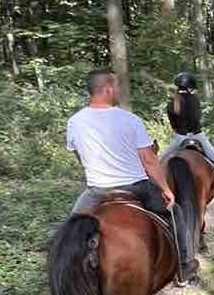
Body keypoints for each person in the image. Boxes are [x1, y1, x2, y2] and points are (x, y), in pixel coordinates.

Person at [66, 70, 177, 219]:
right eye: (118, 85)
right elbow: (149, 161)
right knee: (175, 215)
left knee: (71, 231)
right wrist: (166, 189)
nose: (119, 90)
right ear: (108, 89)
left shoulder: (74, 122)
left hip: (97, 192)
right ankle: (181, 242)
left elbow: (80, 156)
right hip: (136, 189)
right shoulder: (131, 120)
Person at [161, 71, 214, 201]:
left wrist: (180, 131)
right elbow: (197, 118)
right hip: (198, 135)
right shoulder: (194, 99)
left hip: (180, 137)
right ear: (190, 87)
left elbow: (173, 123)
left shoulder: (172, 101)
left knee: (160, 161)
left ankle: (156, 191)